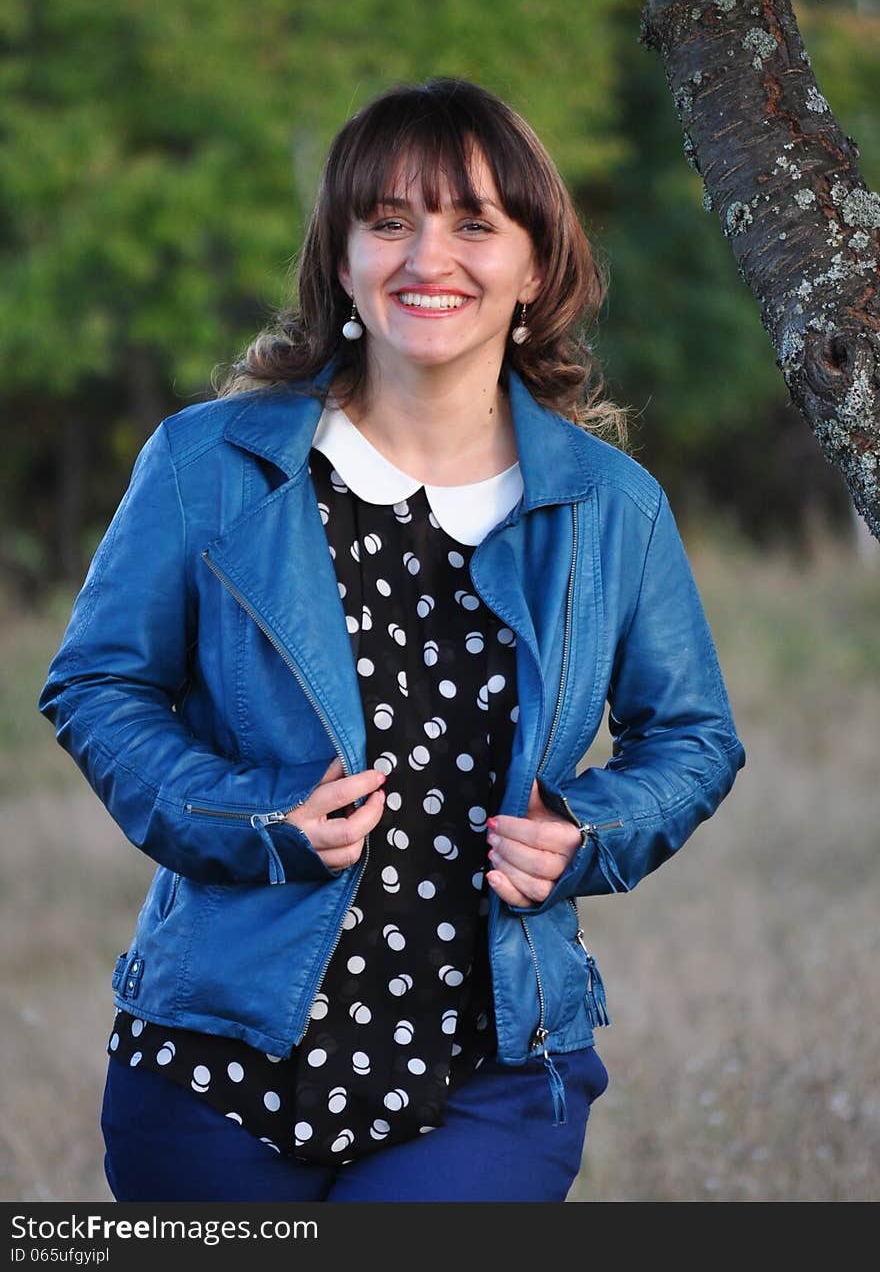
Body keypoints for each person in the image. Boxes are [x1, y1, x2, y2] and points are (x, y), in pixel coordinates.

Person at [39, 77, 745, 1204]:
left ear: (534, 266)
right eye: (389, 221)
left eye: (473, 223)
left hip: (491, 1072)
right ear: (342, 260)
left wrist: (590, 826)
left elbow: (694, 738)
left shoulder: (614, 508)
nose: (430, 257)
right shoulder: (202, 467)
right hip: (214, 1063)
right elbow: (98, 685)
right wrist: (247, 815)